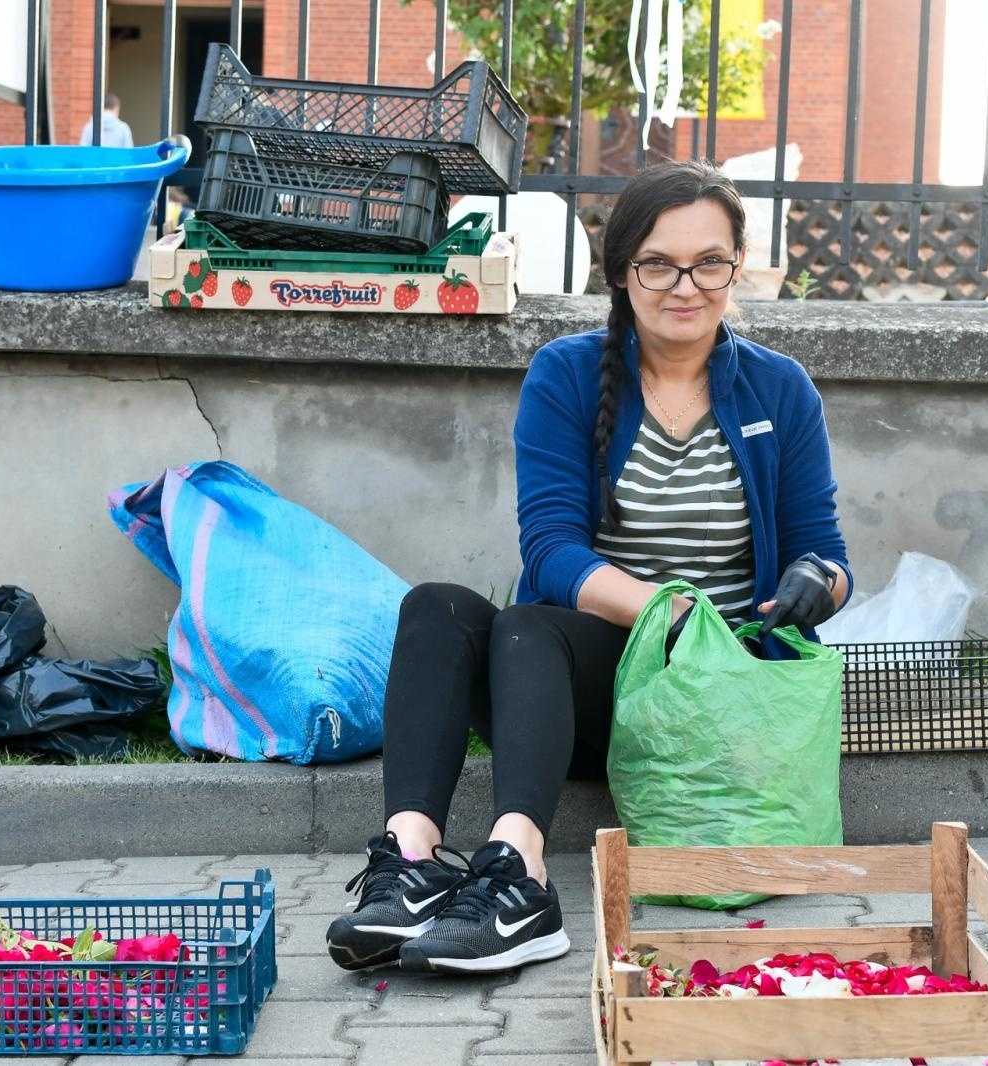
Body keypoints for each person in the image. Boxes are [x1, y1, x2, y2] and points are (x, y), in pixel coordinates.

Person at [325, 160, 853, 976]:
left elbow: (830, 554)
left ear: (736, 265)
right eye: (658, 264)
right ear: (620, 274)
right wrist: (669, 614)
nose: (686, 285)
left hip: (715, 697)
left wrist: (820, 584)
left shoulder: (781, 391)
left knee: (530, 625)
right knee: (438, 606)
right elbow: (554, 553)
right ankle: (416, 862)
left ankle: (519, 880)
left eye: (709, 262)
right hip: (571, 700)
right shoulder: (567, 374)